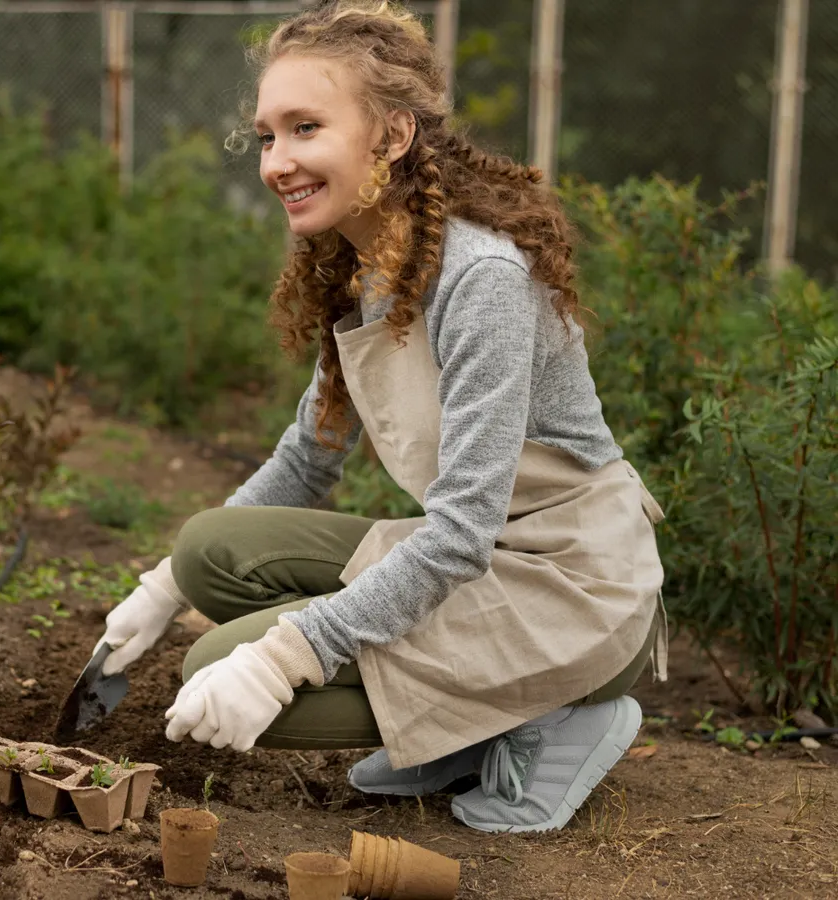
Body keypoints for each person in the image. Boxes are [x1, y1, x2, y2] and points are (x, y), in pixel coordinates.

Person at [91, 0, 667, 833]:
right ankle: (464, 725)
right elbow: (307, 461)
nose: (276, 161)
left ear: (393, 138)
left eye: (305, 128)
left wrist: (286, 657)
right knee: (208, 552)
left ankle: (560, 716)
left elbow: (463, 530)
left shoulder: (483, 283)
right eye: (267, 136)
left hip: (570, 583)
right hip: (482, 563)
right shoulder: (363, 268)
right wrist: (161, 587)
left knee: (221, 665)